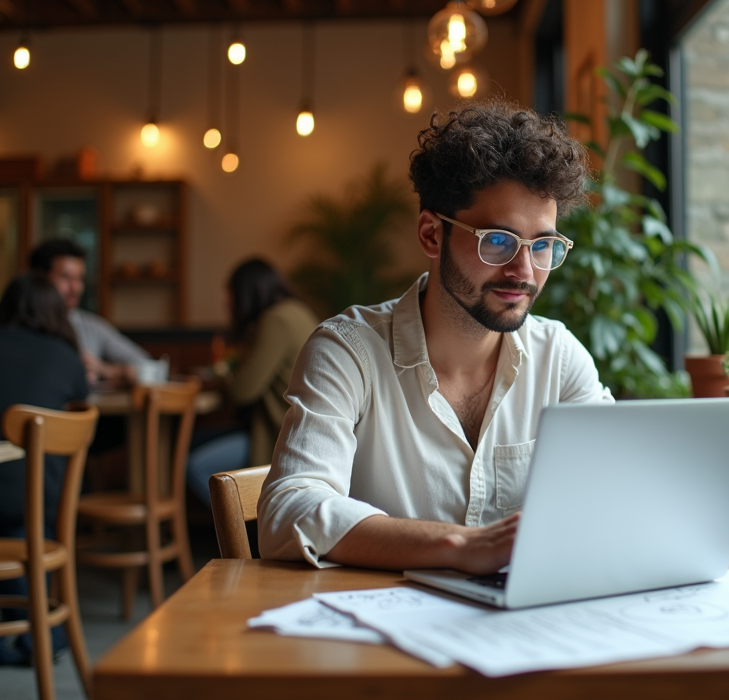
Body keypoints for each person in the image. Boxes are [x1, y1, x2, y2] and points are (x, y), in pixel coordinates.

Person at [258, 100, 613, 573]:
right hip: (376, 630)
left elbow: (615, 490)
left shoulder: (560, 359)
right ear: (431, 234)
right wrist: (461, 547)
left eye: (543, 245)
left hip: (521, 632)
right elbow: (288, 511)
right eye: (498, 241)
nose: (524, 271)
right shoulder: (349, 352)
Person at [0, 273, 90, 665]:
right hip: (47, 498)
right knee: (22, 517)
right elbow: (81, 398)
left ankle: (33, 630)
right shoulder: (67, 359)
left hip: (7, 495)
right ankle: (43, 631)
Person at [186, 258, 319, 506]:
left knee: (193, 466)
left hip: (277, 437)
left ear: (247, 292)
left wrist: (217, 379)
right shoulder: (298, 311)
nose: (226, 302)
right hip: (298, 434)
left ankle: (243, 534)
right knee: (191, 442)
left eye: (230, 293)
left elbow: (242, 390)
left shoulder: (276, 320)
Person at [30, 238, 150, 385]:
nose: (76, 288)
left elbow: (148, 367)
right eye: (65, 278)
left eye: (79, 278)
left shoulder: (92, 326)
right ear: (39, 280)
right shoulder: (20, 328)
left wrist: (105, 369)